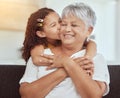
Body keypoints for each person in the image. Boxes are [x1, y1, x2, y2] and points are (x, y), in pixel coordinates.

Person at [19, 3, 110, 98]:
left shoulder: (94, 58)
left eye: (74, 25)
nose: (67, 29)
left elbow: (94, 96)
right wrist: (66, 66)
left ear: (89, 30)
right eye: (64, 24)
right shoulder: (41, 55)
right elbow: (26, 95)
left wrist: (68, 63)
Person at [22, 7, 97, 67]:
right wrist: (66, 63)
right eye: (53, 25)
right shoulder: (39, 46)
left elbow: (91, 43)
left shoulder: (66, 39)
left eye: (60, 21)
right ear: (41, 33)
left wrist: (88, 58)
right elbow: (37, 60)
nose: (60, 26)